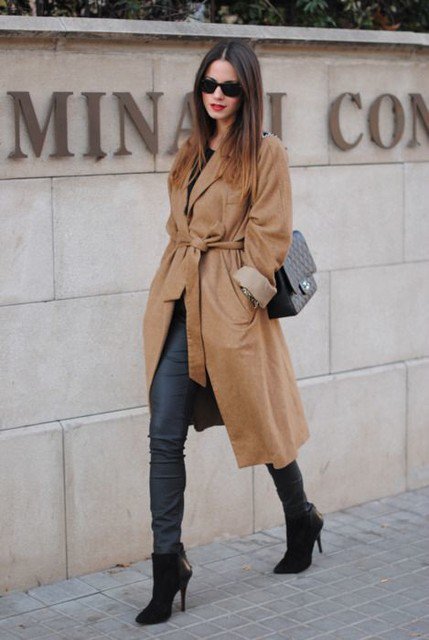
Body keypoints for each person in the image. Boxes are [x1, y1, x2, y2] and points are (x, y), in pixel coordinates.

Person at [136, 38, 324, 626]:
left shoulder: (266, 154)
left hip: (230, 311)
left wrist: (240, 298)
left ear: (249, 92)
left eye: (229, 87)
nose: (216, 96)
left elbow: (270, 236)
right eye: (208, 85)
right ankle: (168, 564)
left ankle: (301, 518)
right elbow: (178, 224)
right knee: (164, 435)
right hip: (178, 305)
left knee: (262, 424)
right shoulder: (192, 150)